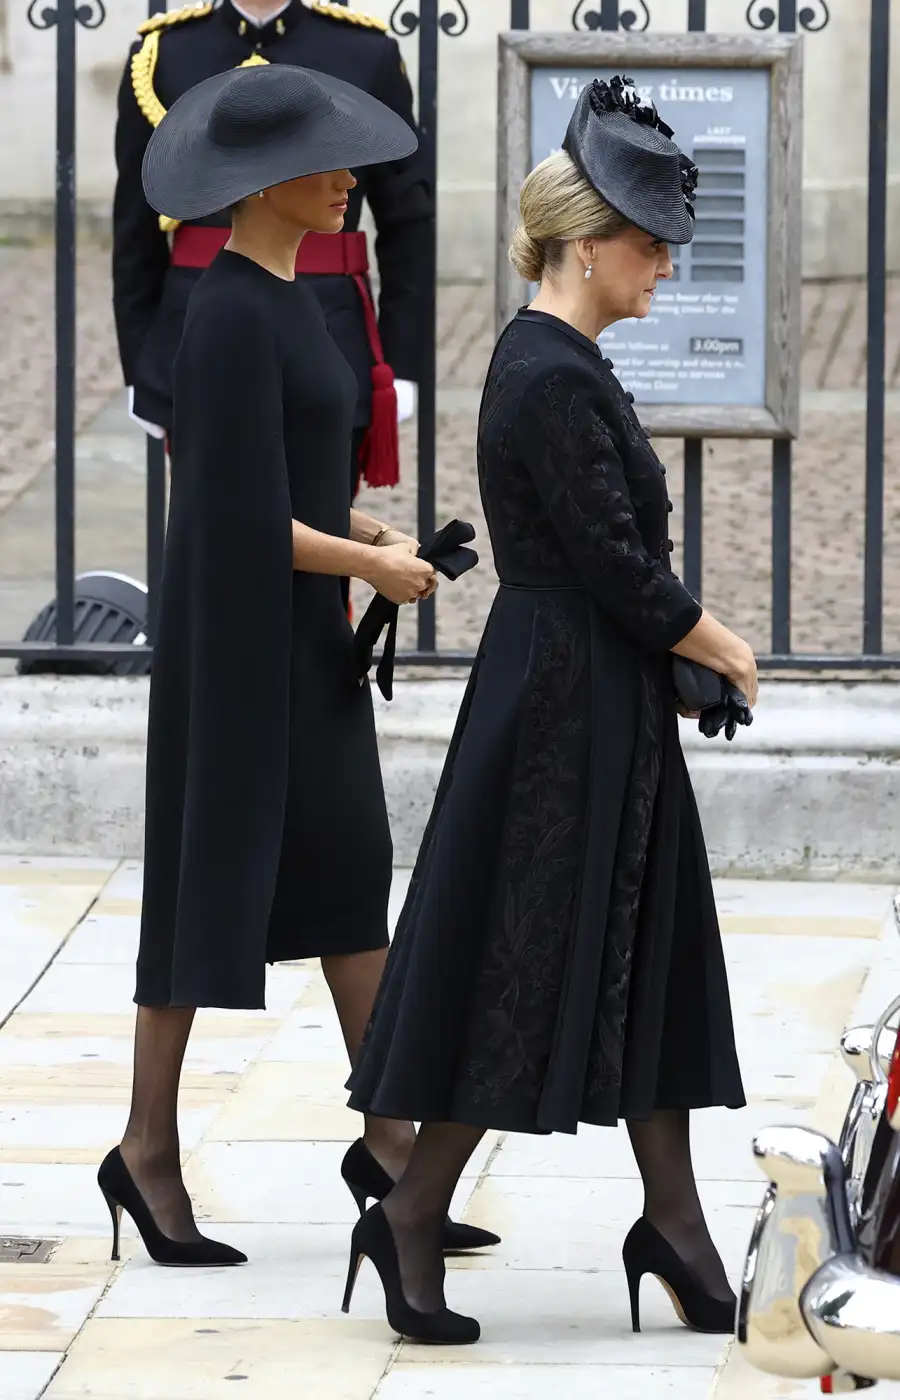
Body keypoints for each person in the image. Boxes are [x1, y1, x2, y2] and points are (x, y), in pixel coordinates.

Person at [344, 76, 759, 1345]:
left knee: (645, 952)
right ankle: (414, 1204)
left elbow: (609, 570)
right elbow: (619, 568)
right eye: (648, 242)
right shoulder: (548, 377)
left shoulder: (557, 359)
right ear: (589, 247)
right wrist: (723, 643)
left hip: (591, 692)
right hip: (564, 709)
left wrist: (675, 655)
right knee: (518, 962)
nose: (664, 262)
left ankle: (674, 1223)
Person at [96, 62, 497, 1268]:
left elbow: (298, 477)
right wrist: (364, 567)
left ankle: (388, 1144)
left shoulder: (294, 304)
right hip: (239, 651)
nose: (348, 184)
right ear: (262, 184)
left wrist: (364, 532)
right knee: (202, 888)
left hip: (304, 640)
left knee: (342, 871)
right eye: (325, 168)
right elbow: (229, 515)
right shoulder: (219, 316)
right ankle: (146, 1150)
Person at [113, 0, 432, 495]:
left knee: (324, 521)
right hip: (195, 322)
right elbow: (134, 224)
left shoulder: (365, 51)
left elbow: (407, 222)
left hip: (330, 323)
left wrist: (403, 363)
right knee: (217, 523)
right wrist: (140, 361)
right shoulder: (164, 53)